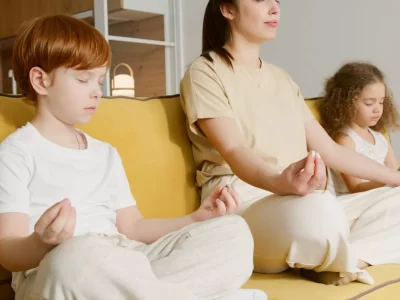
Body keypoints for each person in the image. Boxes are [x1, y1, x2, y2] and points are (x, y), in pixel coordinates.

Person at [0, 15, 268, 300]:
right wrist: (42, 242)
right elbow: (7, 251)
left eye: (100, 80)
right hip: (56, 270)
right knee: (77, 257)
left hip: (127, 261)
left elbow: (133, 228)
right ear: (41, 80)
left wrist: (197, 218)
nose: (96, 92)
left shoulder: (105, 153)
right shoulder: (16, 153)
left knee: (233, 233)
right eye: (83, 79)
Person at [180, 0, 400, 286]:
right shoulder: (204, 72)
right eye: (261, 0)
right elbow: (235, 150)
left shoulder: (282, 79)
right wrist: (280, 182)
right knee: (320, 209)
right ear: (227, 9)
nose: (275, 8)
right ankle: (333, 249)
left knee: (327, 206)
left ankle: (348, 258)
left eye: (276, 1)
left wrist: (395, 178)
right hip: (244, 201)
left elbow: (331, 151)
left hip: (303, 199)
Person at [319, 62, 400, 194]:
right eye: (369, 103)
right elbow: (355, 188)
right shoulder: (345, 140)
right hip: (356, 200)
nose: (377, 109)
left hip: (382, 193)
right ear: (346, 103)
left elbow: (395, 169)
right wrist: (388, 179)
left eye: (381, 102)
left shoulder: (380, 138)